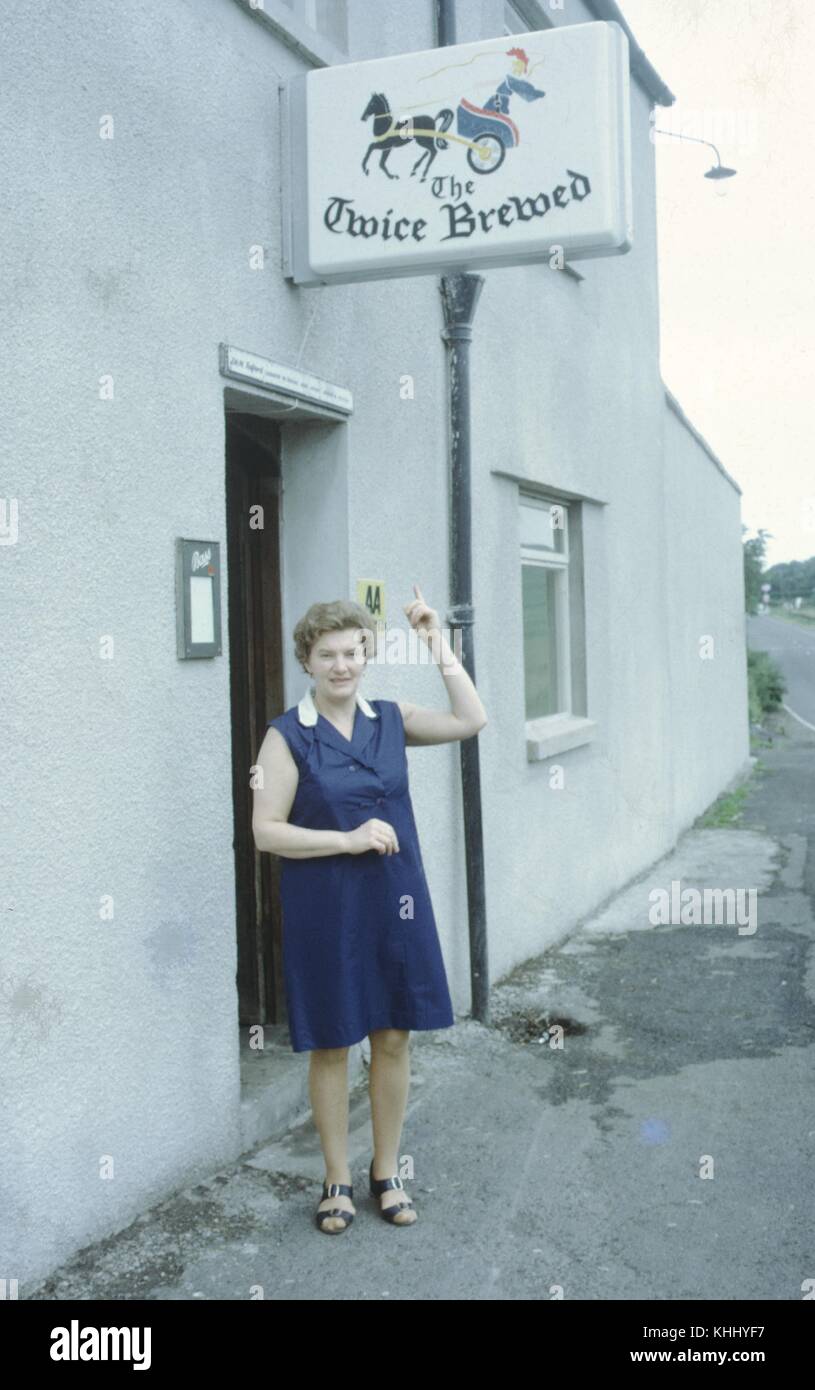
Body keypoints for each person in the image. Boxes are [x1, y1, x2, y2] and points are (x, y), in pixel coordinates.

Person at [252, 586, 487, 1233]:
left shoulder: (390, 718)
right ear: (308, 661)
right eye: (326, 654)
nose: (340, 665)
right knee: (331, 1042)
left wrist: (435, 639)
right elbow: (265, 831)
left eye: (352, 652)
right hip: (324, 906)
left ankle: (385, 1173)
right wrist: (346, 839)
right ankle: (334, 1177)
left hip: (395, 900)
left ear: (366, 654)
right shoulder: (287, 737)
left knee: (392, 1034)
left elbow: (471, 720)